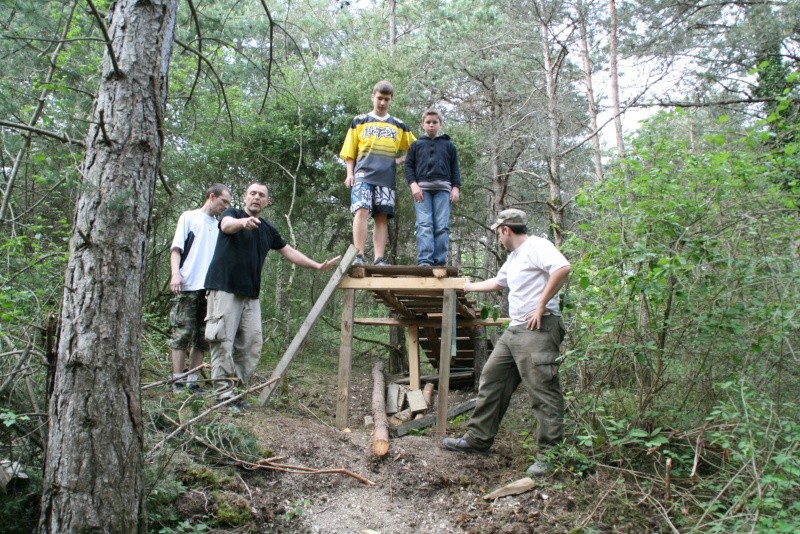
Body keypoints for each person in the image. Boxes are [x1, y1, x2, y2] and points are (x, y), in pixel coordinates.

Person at [441, 209, 571, 477]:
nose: (498, 238)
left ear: (505, 230)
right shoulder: (513, 257)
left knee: (542, 391)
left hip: (538, 327)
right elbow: (499, 282)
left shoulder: (537, 246)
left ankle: (550, 456)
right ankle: (478, 440)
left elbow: (562, 268)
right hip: (515, 330)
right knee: (492, 379)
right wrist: (468, 286)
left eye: (498, 233)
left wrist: (541, 304)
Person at [203, 183, 340, 405]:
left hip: (250, 295)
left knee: (251, 343)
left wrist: (317, 266)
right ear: (245, 197)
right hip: (224, 288)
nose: (256, 198)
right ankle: (223, 394)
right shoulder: (233, 214)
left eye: (262, 195)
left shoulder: (268, 229)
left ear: (266, 201)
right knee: (223, 341)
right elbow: (226, 225)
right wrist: (242, 223)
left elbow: (289, 251)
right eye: (253, 194)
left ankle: (235, 392)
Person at [340, 80, 416, 266]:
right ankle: (358, 255)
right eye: (380, 98)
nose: (382, 102)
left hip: (386, 177)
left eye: (386, 99)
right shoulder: (359, 121)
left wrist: (399, 159)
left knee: (382, 216)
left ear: (391, 100)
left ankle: (379, 258)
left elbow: (416, 148)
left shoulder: (399, 125)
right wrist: (349, 174)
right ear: (373, 96)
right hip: (363, 174)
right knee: (361, 210)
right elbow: (350, 151)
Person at [168, 184, 232, 393]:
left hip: (210, 289)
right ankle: (177, 380)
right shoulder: (189, 217)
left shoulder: (219, 226)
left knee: (203, 337)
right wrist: (176, 273)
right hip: (187, 284)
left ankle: (192, 381)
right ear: (211, 197)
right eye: (224, 201)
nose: (226, 206)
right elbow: (177, 249)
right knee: (181, 332)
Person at [404, 108, 461, 267]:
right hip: (422, 190)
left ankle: (439, 262)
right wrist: (413, 185)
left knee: (442, 226)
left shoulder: (448, 145)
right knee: (424, 225)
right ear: (422, 124)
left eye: (434, 122)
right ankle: (425, 261)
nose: (431, 125)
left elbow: (455, 168)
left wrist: (455, 187)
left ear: (440, 124)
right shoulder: (416, 145)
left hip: (443, 190)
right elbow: (408, 167)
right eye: (428, 122)